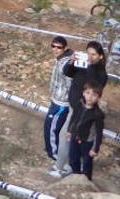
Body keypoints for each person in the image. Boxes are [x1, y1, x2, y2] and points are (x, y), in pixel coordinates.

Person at [54, 41, 108, 178]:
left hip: (83, 110)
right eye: (88, 53)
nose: (90, 57)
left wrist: (88, 67)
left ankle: (62, 168)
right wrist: (71, 62)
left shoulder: (100, 73)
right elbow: (67, 72)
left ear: (100, 56)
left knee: (69, 136)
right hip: (74, 106)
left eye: (93, 54)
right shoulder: (82, 65)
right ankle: (68, 166)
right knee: (69, 137)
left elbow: (94, 89)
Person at [44, 36, 73, 168]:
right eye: (53, 46)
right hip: (56, 100)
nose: (55, 49)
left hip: (62, 103)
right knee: (52, 128)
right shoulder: (60, 59)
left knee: (51, 129)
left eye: (59, 47)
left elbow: (69, 80)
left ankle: (55, 155)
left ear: (65, 48)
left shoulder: (66, 62)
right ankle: (53, 151)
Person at [67, 81, 105, 180]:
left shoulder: (97, 114)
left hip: (87, 142)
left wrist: (95, 148)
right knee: (73, 159)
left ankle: (86, 181)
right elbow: (73, 119)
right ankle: (75, 176)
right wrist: (69, 131)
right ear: (83, 93)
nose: (90, 97)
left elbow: (98, 133)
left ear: (98, 98)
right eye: (88, 93)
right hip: (75, 138)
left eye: (94, 95)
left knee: (87, 163)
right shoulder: (79, 105)